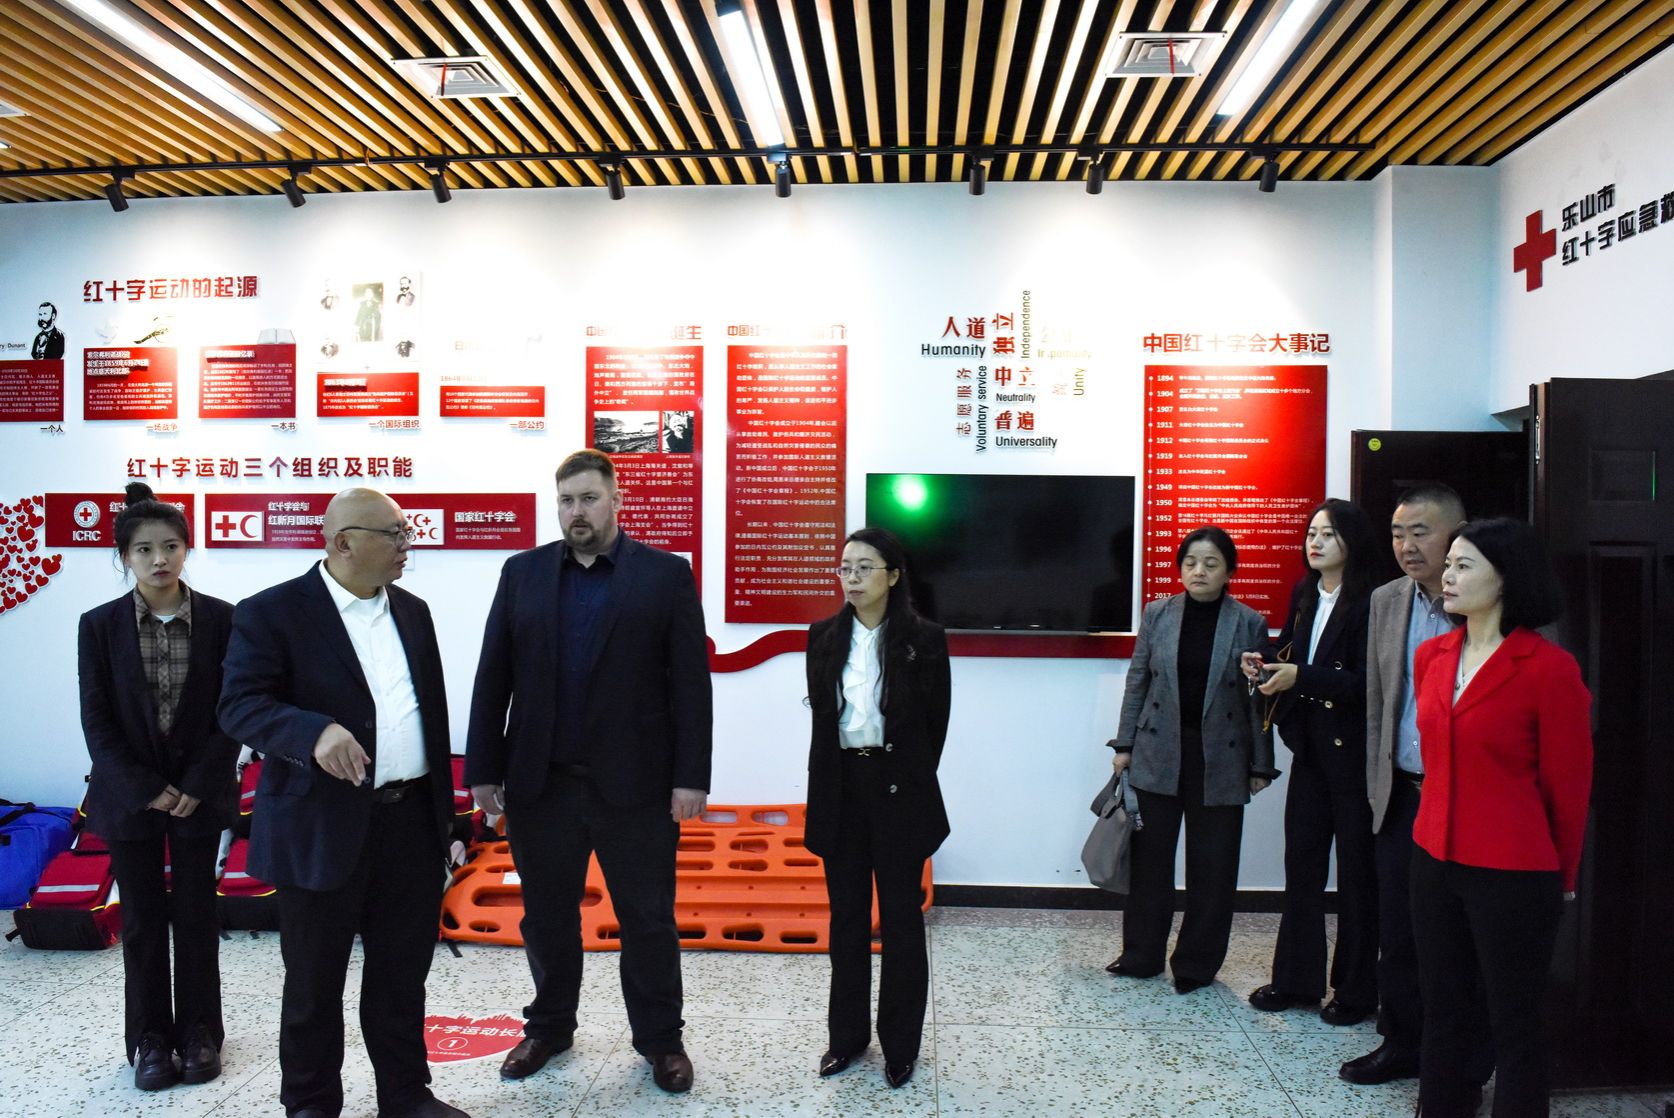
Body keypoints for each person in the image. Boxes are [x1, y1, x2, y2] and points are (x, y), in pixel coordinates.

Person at [465, 449, 712, 1094]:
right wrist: (483, 767)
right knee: (546, 917)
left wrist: (691, 776)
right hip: (540, 783)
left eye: (589, 498)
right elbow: (493, 675)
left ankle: (661, 1040)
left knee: (648, 919)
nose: (577, 511)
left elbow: (690, 683)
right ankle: (548, 1027)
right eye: (567, 500)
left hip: (637, 786)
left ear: (616, 500)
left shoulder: (664, 575)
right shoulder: (522, 573)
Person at [218, 488, 467, 1118]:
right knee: (313, 983)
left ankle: (406, 1097)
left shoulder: (413, 611)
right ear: (343, 542)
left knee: (401, 977)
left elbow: (430, 716)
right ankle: (310, 1104)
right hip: (319, 826)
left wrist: (446, 819)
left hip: (409, 821)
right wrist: (313, 732)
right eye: (395, 534)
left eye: (407, 532)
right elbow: (239, 705)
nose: (408, 546)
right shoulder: (272, 613)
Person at [1409, 518, 1592, 1118]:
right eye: (1449, 564)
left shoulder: (1548, 668)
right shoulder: (1433, 656)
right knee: (1443, 1008)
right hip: (1433, 857)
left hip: (1513, 870)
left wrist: (1564, 877)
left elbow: (1568, 787)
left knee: (1513, 1019)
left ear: (1506, 578)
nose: (1447, 575)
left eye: (1463, 566)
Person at [78, 483, 238, 1092]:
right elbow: (97, 720)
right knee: (143, 920)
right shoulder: (99, 626)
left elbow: (233, 708)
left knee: (197, 915)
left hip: (200, 793)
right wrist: (146, 787)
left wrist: (199, 780)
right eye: (144, 550)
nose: (159, 559)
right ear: (125, 557)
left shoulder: (224, 619)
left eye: (170, 546)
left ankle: (200, 1034)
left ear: (186, 548)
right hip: (131, 798)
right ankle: (148, 1038)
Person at [1340, 483, 1486, 1086]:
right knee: (1397, 929)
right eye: (1398, 533)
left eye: (1420, 532)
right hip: (1402, 793)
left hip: (1469, 799)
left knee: (1460, 937)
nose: (1406, 545)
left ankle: (1461, 1062)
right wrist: (1377, 786)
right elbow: (1379, 700)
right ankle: (1401, 1043)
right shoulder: (1386, 600)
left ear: (1458, 533)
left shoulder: (1483, 600)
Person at [804, 528, 950, 1089]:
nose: (852, 578)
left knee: (901, 921)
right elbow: (823, 722)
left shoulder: (925, 639)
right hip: (840, 789)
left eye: (865, 567)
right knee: (846, 920)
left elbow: (935, 726)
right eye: (845, 567)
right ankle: (846, 1039)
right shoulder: (822, 637)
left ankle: (900, 1046)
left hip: (899, 791)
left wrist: (904, 782)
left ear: (892, 576)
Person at [1107, 526, 1275, 992]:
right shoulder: (1158, 614)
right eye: (1190, 563)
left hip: (1220, 757)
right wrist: (1124, 745)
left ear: (1229, 571)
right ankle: (1141, 955)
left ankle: (1196, 965)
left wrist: (1261, 764)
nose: (1199, 571)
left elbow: (1258, 699)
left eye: (1211, 563)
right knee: (1149, 863)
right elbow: (1138, 681)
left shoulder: (1248, 622)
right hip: (1157, 752)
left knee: (1213, 868)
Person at [1243, 499, 1379, 1024]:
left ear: (1353, 540)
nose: (1315, 542)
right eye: (1311, 533)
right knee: (1301, 868)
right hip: (1311, 751)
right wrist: (1264, 663)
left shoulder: (1373, 598)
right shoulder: (1305, 592)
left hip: (1356, 756)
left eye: (1328, 533)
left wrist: (1301, 676)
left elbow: (1368, 683)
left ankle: (1355, 991)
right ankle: (1296, 981)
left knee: (1357, 878)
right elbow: (1293, 654)